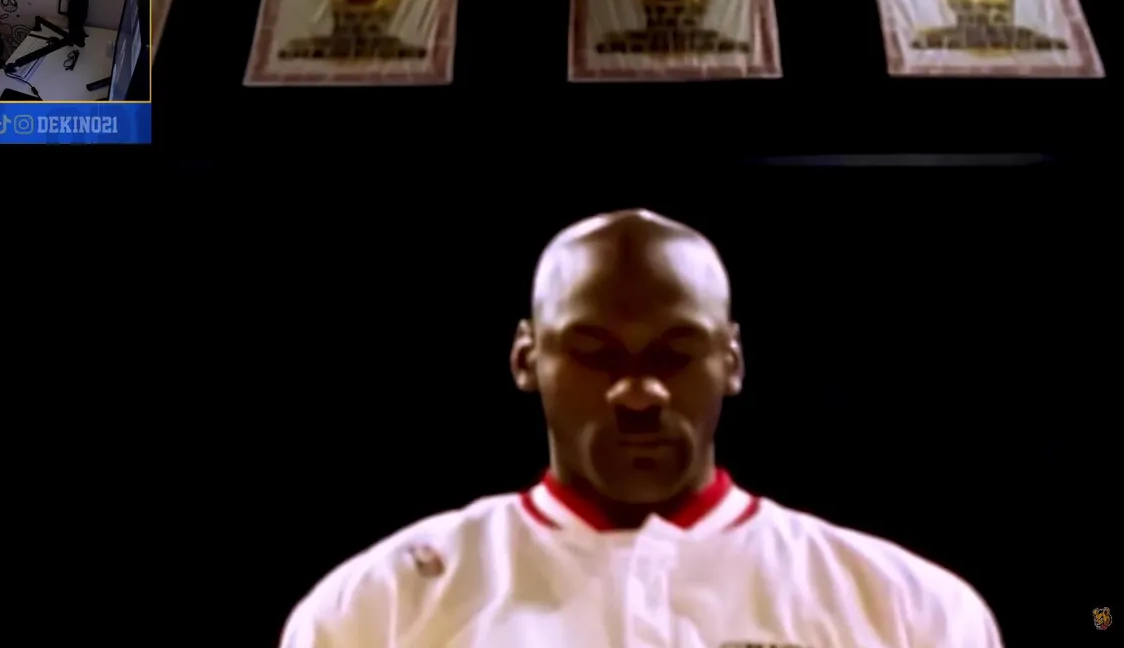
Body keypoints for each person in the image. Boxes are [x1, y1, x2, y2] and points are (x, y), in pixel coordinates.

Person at [279, 209, 1003, 648]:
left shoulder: (909, 608)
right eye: (594, 353)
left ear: (732, 360)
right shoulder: (381, 605)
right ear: (527, 358)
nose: (638, 391)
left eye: (675, 353)